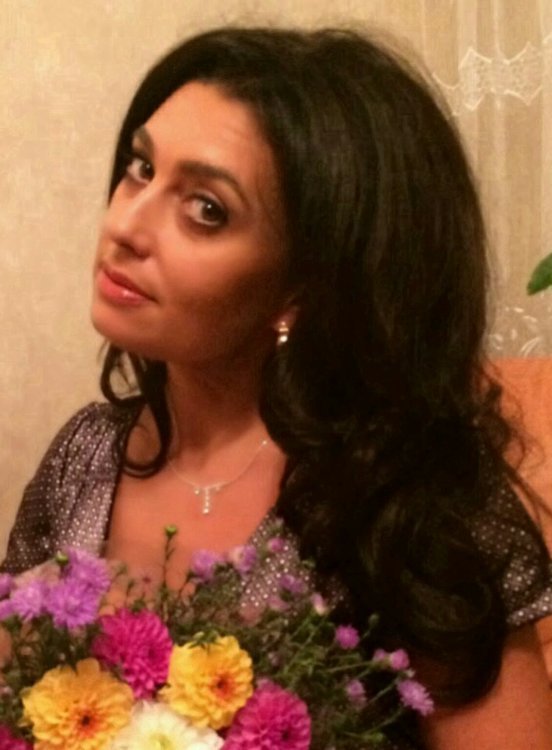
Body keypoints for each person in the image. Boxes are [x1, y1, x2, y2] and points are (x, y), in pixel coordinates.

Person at [2, 25, 552, 748]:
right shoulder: (84, 457)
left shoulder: (407, 502)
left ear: (304, 288)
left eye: (206, 209)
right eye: (141, 168)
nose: (126, 226)